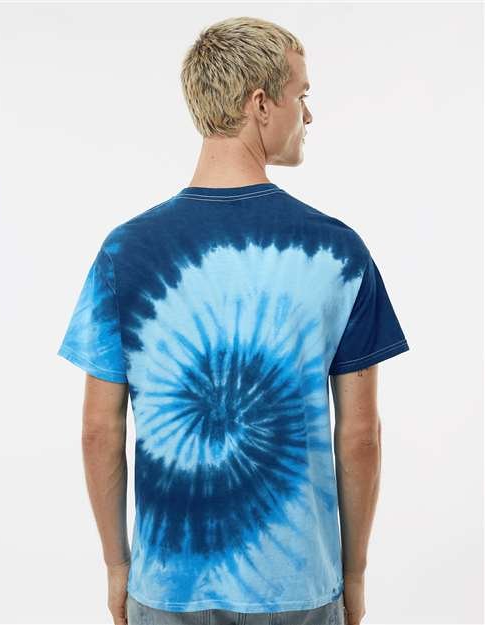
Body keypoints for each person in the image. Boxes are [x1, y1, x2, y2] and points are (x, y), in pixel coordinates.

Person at [57, 16, 410, 625]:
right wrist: (352, 573)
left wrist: (118, 565)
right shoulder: (336, 251)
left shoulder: (124, 252)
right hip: (300, 588)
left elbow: (98, 430)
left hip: (168, 586)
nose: (309, 115)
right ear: (261, 103)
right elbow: (360, 437)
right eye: (302, 95)